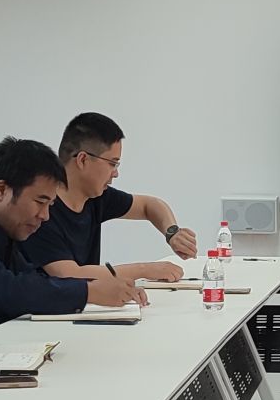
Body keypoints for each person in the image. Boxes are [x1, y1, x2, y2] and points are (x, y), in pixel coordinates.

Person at [0, 138, 149, 344]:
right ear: (1, 190)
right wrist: (89, 292)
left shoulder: (6, 226)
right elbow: (2, 288)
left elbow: (32, 279)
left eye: (50, 205)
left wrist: (94, 287)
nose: (45, 216)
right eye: (40, 202)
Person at [23, 112, 197, 302]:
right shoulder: (42, 211)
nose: (115, 173)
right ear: (82, 160)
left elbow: (150, 205)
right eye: (112, 163)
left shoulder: (97, 197)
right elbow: (69, 275)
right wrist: (145, 269)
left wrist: (172, 232)